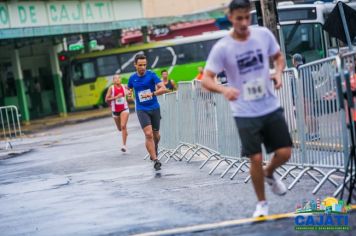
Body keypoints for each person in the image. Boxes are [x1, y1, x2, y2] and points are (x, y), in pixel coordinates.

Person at [202, 0, 292, 217]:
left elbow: (279, 58)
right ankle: (262, 204)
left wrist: (278, 73)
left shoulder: (262, 35)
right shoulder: (223, 47)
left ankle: (269, 173)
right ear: (231, 17)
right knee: (255, 158)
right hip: (244, 111)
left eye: (246, 17)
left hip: (269, 105)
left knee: (285, 153)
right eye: (239, 18)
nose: (243, 22)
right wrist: (224, 91)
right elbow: (206, 79)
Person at [128, 54, 167, 171]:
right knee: (148, 134)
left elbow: (163, 88)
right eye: (140, 65)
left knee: (156, 135)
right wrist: (129, 93)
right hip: (141, 109)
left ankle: (155, 147)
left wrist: (152, 93)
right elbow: (129, 88)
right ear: (135, 65)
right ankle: (155, 160)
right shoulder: (132, 78)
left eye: (144, 65)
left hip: (154, 107)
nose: (143, 67)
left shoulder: (151, 75)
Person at [292, 53, 320, 141]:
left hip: (304, 95)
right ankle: (315, 133)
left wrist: (301, 96)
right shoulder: (307, 67)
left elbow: (299, 84)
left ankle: (312, 134)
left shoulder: (298, 70)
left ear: (294, 61)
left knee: (307, 115)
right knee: (312, 114)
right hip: (311, 94)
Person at [105, 74, 130, 152]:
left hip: (124, 109)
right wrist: (116, 97)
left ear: (121, 80)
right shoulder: (111, 88)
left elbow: (130, 92)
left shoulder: (124, 86)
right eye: (115, 78)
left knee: (123, 126)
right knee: (120, 129)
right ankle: (125, 132)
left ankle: (124, 146)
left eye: (119, 78)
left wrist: (129, 95)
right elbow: (106, 99)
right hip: (115, 111)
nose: (117, 79)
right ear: (113, 81)